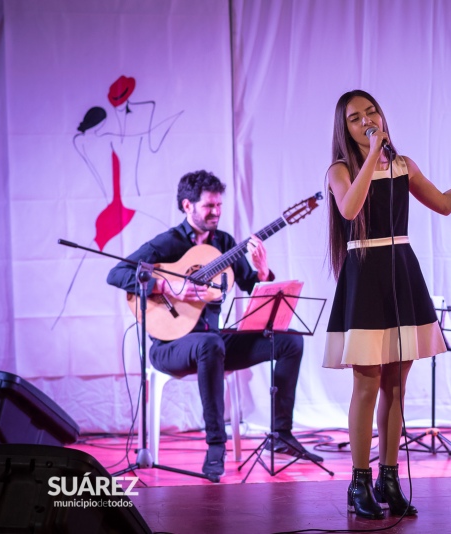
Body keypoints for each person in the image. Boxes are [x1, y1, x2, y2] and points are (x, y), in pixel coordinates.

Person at [324, 89, 451, 519]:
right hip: (366, 274)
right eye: (356, 118)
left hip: (401, 273)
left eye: (372, 112)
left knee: (397, 384)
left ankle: (390, 478)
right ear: (344, 128)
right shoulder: (339, 169)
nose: (367, 120)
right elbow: (350, 209)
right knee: (367, 383)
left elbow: (444, 204)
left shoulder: (404, 166)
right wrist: (373, 154)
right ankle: (359, 483)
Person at [107, 170, 321, 481]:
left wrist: (262, 271)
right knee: (210, 344)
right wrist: (167, 288)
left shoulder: (225, 244)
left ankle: (281, 434)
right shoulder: (167, 243)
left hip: (213, 341)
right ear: (187, 206)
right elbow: (117, 274)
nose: (216, 212)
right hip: (169, 347)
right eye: (209, 206)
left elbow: (252, 285)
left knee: (290, 341)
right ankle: (216, 445)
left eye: (219, 205)